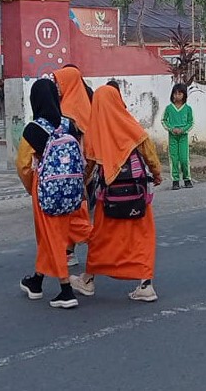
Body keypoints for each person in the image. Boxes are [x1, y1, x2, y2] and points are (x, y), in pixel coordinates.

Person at [69, 85, 163, 302]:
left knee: (102, 238)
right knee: (143, 237)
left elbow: (89, 166)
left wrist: (80, 186)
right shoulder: (130, 124)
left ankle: (88, 279)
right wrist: (156, 175)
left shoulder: (95, 131)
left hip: (109, 198)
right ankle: (146, 284)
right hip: (138, 195)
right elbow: (149, 152)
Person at [16, 79, 92, 309]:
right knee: (68, 231)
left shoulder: (33, 129)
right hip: (73, 189)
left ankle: (65, 290)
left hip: (47, 188)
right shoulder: (69, 124)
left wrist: (33, 188)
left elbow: (23, 165)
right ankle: (36, 281)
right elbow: (84, 154)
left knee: (51, 236)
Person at [52, 65, 94, 265]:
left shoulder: (69, 110)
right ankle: (68, 251)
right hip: (76, 168)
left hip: (73, 168)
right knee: (71, 209)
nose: (57, 87)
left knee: (75, 211)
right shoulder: (78, 105)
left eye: (60, 82)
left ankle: (98, 245)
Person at [161, 83, 194, 190]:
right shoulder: (169, 108)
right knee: (174, 158)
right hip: (173, 137)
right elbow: (164, 120)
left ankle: (187, 179)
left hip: (183, 137)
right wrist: (171, 129)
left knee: (184, 159)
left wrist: (183, 130)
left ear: (184, 95)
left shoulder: (188, 109)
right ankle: (175, 180)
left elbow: (191, 122)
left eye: (180, 93)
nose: (177, 96)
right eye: (175, 93)